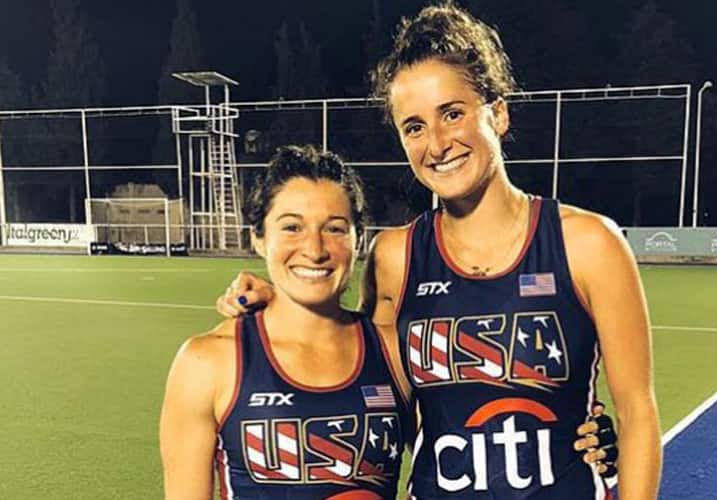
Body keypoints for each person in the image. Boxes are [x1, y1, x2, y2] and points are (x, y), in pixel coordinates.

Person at [218, 3, 660, 499]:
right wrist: (280, 302)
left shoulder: (588, 244)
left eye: (452, 114)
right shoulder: (395, 257)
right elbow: (363, 378)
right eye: (414, 126)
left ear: (498, 113)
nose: (437, 144)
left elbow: (638, 413)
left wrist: (604, 441)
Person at [160, 145, 411, 500]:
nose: (315, 249)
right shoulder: (207, 362)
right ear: (258, 239)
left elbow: (446, 470)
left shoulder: (395, 352)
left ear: (360, 238)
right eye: (292, 227)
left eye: (335, 229)